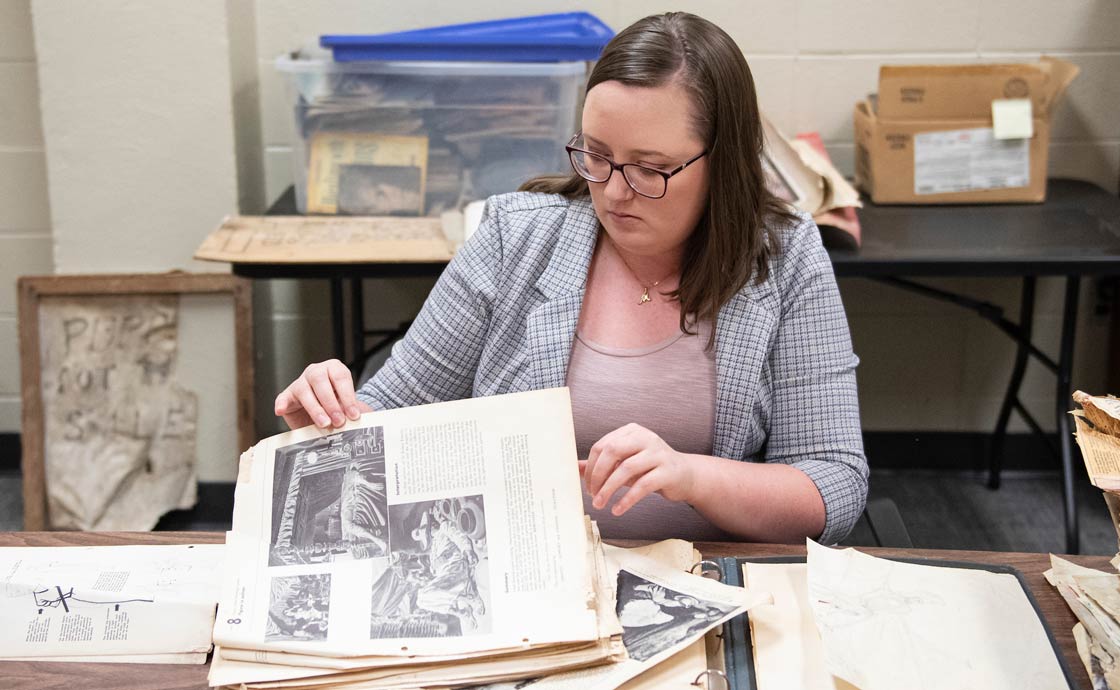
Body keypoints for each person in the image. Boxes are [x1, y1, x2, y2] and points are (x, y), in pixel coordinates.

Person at [274, 12, 867, 544]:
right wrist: (332, 421)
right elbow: (396, 406)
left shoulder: (782, 256)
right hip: (521, 576)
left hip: (708, 581)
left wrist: (692, 475)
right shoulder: (518, 236)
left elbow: (833, 487)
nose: (612, 191)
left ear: (724, 162)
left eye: (651, 169)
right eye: (597, 155)